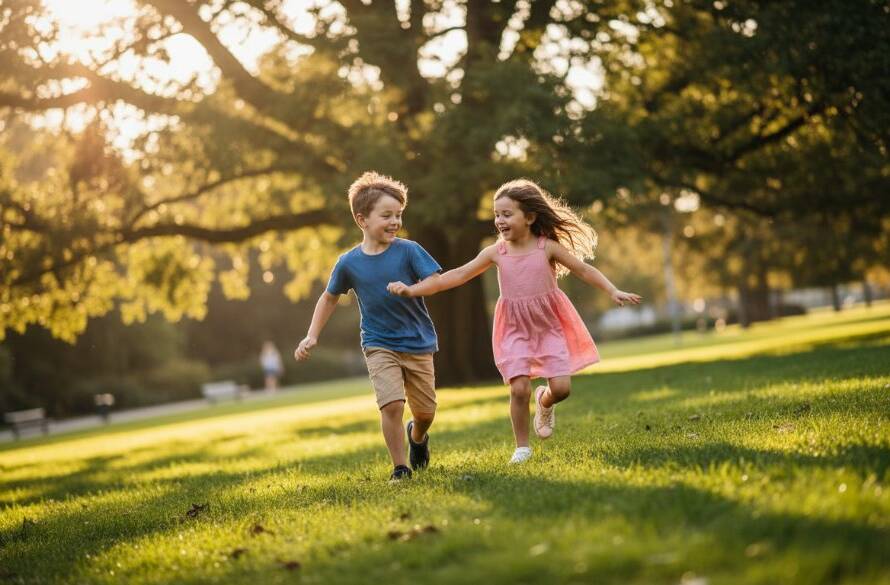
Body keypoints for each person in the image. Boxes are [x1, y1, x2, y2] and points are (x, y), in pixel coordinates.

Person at [388, 178, 641, 464]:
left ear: (530, 217)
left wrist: (612, 290)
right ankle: (522, 447)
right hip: (513, 328)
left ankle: (544, 400)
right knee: (519, 388)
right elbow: (458, 275)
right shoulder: (496, 252)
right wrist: (413, 289)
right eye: (497, 214)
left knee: (561, 389)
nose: (499, 221)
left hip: (547, 325)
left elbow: (583, 270)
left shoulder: (547, 247)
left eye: (507, 214)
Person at [295, 172, 441, 481]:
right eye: (386, 215)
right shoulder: (349, 262)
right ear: (362, 219)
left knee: (425, 412)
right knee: (392, 405)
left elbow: (434, 280)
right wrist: (311, 335)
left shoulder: (409, 250)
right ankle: (400, 467)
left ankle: (417, 436)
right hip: (378, 343)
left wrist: (411, 289)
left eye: (398, 215)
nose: (395, 221)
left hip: (417, 342)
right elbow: (329, 297)